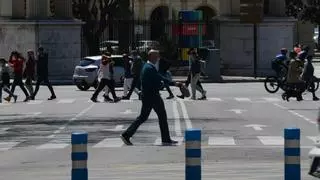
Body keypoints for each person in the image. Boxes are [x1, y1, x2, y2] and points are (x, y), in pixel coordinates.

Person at [120, 49, 181, 146]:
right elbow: (159, 78)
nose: (158, 58)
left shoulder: (148, 67)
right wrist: (173, 83)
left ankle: (126, 135)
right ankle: (165, 139)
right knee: (161, 116)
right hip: (152, 96)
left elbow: (157, 79)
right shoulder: (149, 68)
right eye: (156, 56)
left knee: (144, 117)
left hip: (148, 95)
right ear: (151, 56)